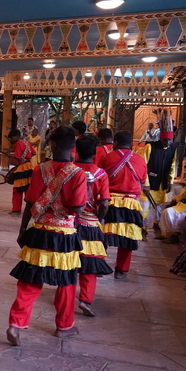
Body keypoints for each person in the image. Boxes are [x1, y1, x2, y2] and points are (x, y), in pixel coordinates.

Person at [7, 126, 86, 345]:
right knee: (67, 282)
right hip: (64, 235)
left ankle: (15, 324)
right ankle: (64, 326)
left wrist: (22, 230)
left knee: (29, 281)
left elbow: (29, 203)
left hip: (39, 232)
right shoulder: (78, 174)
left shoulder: (39, 170)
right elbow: (78, 208)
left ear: (52, 145)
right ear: (73, 146)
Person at [100, 131, 149, 279]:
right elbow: (142, 182)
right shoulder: (141, 160)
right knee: (128, 237)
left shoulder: (107, 157)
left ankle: (99, 265)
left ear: (115, 143)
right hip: (131, 204)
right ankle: (121, 270)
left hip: (110, 201)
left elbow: (99, 178)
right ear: (131, 145)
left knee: (102, 235)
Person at [74, 135, 113, 317]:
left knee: (68, 259)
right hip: (90, 222)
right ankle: (85, 299)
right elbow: (104, 203)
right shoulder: (101, 174)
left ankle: (65, 293)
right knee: (90, 262)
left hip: (70, 221)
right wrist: (99, 218)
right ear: (95, 153)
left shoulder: (69, 170)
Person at [140, 116, 177, 231]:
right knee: (145, 207)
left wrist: (170, 182)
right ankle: (143, 229)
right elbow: (142, 166)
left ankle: (157, 226)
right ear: (160, 138)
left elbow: (172, 166)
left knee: (159, 207)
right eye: (165, 140)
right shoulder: (150, 146)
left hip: (162, 183)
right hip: (149, 183)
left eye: (170, 140)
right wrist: (146, 184)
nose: (168, 143)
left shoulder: (173, 148)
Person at [8, 128, 35, 214]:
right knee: (28, 189)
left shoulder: (18, 143)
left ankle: (16, 209)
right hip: (30, 166)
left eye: (12, 138)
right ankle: (32, 209)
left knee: (17, 189)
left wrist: (10, 156)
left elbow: (18, 157)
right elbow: (33, 153)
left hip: (22, 167)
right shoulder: (27, 142)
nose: (11, 140)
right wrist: (27, 157)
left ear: (16, 136)